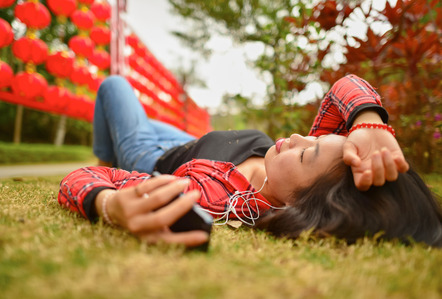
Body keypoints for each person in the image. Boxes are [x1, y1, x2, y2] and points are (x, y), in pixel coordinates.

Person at [57, 74, 442, 248]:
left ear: (297, 205)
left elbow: (83, 178)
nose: (298, 137)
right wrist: (368, 120)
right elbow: (345, 87)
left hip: (153, 156)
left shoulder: (212, 195)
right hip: (194, 142)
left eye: (307, 151)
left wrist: (106, 203)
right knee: (127, 108)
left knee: (114, 87)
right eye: (319, 138)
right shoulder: (300, 169)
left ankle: (111, 147)